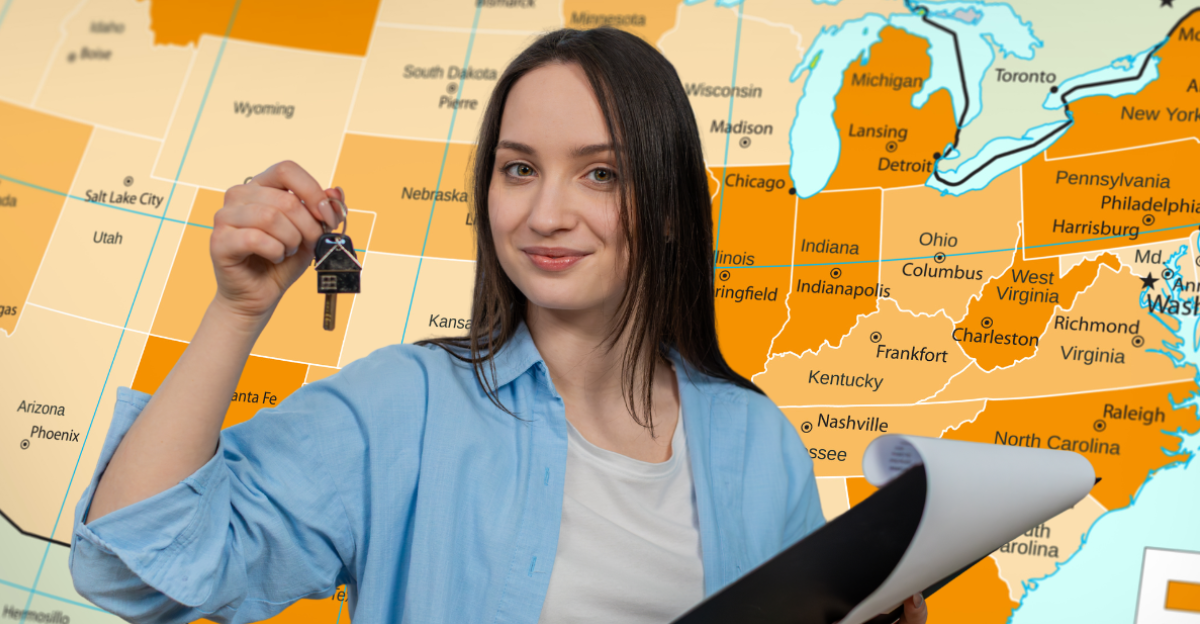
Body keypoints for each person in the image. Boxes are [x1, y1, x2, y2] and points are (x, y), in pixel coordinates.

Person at [69, 27, 928, 624]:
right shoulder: (403, 406)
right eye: (520, 169)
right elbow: (133, 562)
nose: (547, 213)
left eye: (600, 175)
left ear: (668, 209)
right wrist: (238, 310)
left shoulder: (757, 438)